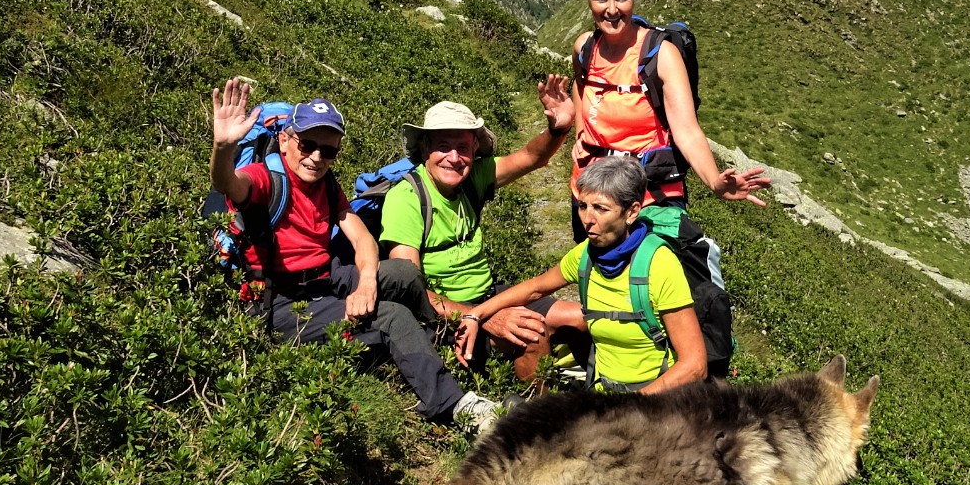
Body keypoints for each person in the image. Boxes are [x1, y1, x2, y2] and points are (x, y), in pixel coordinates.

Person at [209, 77, 501, 429]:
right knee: (390, 315)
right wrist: (223, 147)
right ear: (285, 141)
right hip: (283, 300)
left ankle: (442, 334)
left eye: (328, 151)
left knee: (403, 273)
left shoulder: (325, 185)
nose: (317, 157)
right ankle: (455, 405)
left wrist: (365, 284)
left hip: (325, 278)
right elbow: (228, 183)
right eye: (307, 145)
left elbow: (363, 240)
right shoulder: (265, 180)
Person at [381, 82, 585, 388]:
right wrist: (484, 318)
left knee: (582, 318)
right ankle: (548, 421)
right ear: (424, 149)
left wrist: (558, 129)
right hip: (447, 315)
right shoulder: (405, 199)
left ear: (475, 149)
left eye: (463, 147)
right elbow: (414, 294)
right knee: (532, 332)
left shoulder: (472, 177)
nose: (453, 157)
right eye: (442, 146)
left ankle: (601, 394)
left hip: (488, 297)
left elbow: (531, 157)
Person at [455, 158, 707, 395]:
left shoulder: (660, 264)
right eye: (583, 206)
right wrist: (475, 314)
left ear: (631, 212)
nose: (588, 219)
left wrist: (632, 407)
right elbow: (534, 288)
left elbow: (694, 365)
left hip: (655, 402)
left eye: (601, 208)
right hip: (601, 398)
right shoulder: (586, 255)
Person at [570, 0, 771, 237]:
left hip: (649, 195)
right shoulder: (584, 47)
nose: (612, 9)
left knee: (653, 278)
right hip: (589, 192)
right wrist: (580, 134)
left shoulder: (661, 54)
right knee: (595, 277)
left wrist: (714, 181)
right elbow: (581, 88)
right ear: (589, 0)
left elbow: (686, 130)